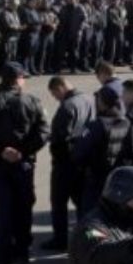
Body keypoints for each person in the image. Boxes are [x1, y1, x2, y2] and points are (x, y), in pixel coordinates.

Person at [0, 63, 50, 264]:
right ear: (18, 79)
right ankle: (22, 251)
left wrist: (1, 151)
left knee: (3, 208)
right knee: (23, 206)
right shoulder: (32, 101)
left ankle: (3, 254)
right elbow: (43, 131)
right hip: (23, 163)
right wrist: (22, 151)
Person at [45, 76, 97, 252]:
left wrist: (50, 138)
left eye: (54, 94)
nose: (55, 98)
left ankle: (60, 240)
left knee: (59, 202)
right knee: (83, 203)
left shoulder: (67, 107)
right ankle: (89, 237)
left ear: (60, 87)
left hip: (65, 162)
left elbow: (60, 137)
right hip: (84, 159)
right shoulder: (90, 99)